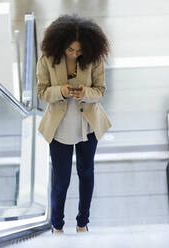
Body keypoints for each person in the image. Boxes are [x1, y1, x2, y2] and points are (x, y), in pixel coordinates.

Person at [36, 14, 111, 233]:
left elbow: (100, 91)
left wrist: (85, 93)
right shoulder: (47, 60)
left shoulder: (94, 59)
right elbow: (41, 92)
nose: (75, 54)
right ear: (60, 45)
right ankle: (57, 224)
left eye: (79, 51)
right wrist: (60, 91)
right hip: (59, 128)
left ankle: (82, 222)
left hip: (87, 126)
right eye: (70, 50)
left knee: (86, 173)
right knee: (61, 180)